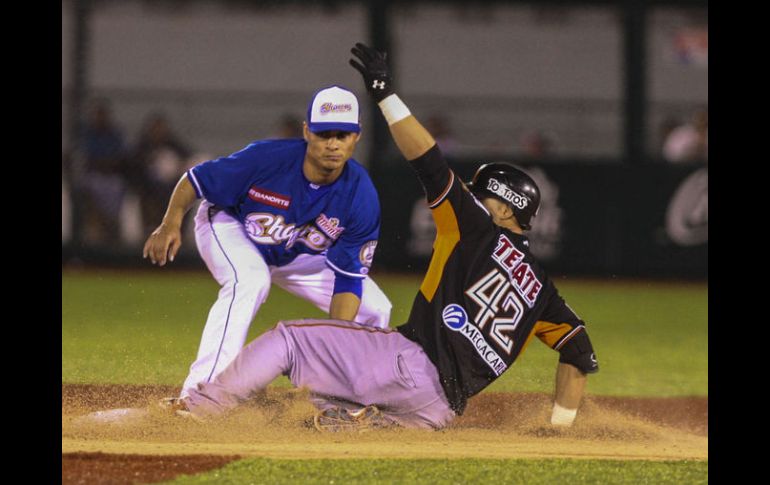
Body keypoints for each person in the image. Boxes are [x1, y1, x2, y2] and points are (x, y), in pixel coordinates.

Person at [162, 43, 598, 431]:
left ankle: (202, 409)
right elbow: (578, 353)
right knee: (341, 399)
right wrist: (558, 429)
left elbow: (428, 163)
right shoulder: (544, 293)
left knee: (288, 339)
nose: (472, 197)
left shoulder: (475, 227)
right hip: (438, 412)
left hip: (407, 364)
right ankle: (349, 415)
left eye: (481, 195)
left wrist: (386, 96)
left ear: (502, 209)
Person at [143, 85, 393, 400]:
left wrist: (333, 345)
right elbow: (196, 179)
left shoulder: (361, 195)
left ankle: (347, 397)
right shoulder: (267, 158)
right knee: (251, 280)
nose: (332, 144)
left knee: (375, 309)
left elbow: (348, 279)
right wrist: (170, 222)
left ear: (356, 137)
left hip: (297, 255)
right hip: (230, 225)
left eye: (341, 135)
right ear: (306, 132)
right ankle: (197, 395)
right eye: (323, 133)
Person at [129, 112, 193, 236]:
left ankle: (179, 232)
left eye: (161, 129)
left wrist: (178, 165)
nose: (159, 132)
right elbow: (134, 168)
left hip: (171, 188)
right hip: (148, 189)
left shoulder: (173, 145)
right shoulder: (142, 147)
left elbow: (188, 158)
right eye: (156, 129)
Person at [76, 99, 128, 245]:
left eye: (102, 115)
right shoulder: (87, 133)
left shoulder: (114, 134)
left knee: (118, 187)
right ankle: (95, 230)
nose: (99, 118)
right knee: (86, 188)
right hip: (93, 176)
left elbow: (121, 157)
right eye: (97, 115)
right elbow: (86, 158)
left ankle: (112, 230)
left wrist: (108, 163)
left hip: (112, 177)